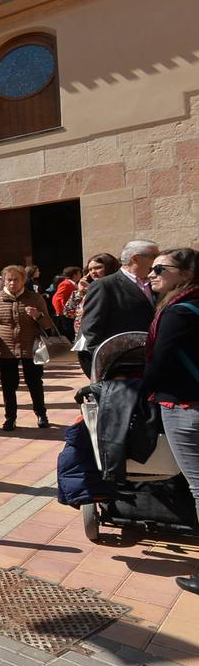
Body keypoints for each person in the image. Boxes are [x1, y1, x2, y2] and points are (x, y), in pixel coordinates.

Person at [140, 248, 199, 595]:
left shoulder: (178, 313)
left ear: (186, 274)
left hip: (185, 405)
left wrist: (140, 392)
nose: (151, 273)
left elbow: (160, 362)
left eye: (160, 268)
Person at [0, 266, 53, 431]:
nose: (12, 283)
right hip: (5, 347)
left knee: (34, 382)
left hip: (30, 346)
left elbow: (48, 324)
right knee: (8, 384)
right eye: (9, 279)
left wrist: (38, 316)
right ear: (4, 280)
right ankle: (10, 418)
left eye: (16, 280)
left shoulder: (35, 298)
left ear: (23, 281)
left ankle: (41, 414)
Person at [80, 240, 160, 361]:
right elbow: (92, 328)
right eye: (154, 256)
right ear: (135, 258)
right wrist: (108, 360)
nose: (159, 261)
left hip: (155, 356)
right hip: (124, 362)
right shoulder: (104, 285)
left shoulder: (156, 283)